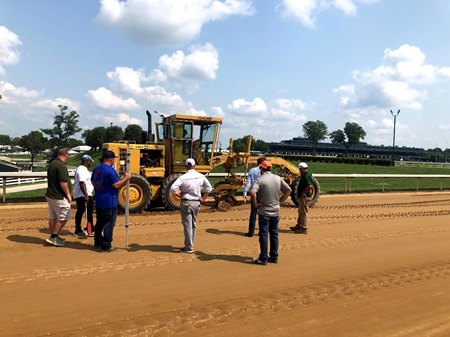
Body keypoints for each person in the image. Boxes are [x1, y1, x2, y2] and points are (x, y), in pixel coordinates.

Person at [250, 160, 291, 265]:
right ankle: (274, 256)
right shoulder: (278, 178)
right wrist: (280, 201)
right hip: (276, 211)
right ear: (270, 168)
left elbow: (253, 193)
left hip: (264, 212)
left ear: (262, 169)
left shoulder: (259, 179)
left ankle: (263, 258)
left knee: (263, 235)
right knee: (274, 234)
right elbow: (288, 190)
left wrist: (255, 204)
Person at [91, 150, 131, 252]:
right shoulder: (110, 170)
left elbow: (92, 181)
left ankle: (97, 241)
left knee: (100, 222)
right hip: (109, 201)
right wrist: (126, 178)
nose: (114, 161)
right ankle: (106, 245)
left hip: (100, 200)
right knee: (109, 223)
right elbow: (116, 184)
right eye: (113, 159)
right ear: (111, 159)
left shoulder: (96, 169)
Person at [170, 158, 212, 254]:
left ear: (186, 166)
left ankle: (189, 247)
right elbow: (209, 188)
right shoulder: (201, 176)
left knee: (187, 225)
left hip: (186, 202)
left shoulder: (182, 177)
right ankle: (190, 244)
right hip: (196, 203)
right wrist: (204, 198)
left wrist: (178, 194)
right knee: (193, 224)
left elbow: (172, 189)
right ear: (194, 166)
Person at [45, 148, 72, 247]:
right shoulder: (61, 166)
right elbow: (63, 182)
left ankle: (54, 236)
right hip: (59, 196)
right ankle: (53, 236)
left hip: (51, 195)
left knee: (53, 217)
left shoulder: (52, 163)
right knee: (64, 216)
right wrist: (68, 194)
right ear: (66, 155)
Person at [242, 156, 266, 237]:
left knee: (253, 212)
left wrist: (245, 193)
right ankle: (261, 231)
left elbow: (248, 182)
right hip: (263, 193)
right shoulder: (265, 170)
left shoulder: (252, 170)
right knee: (262, 213)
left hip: (254, 192)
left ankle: (251, 232)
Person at [73, 154, 94, 238]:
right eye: (90, 162)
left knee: (81, 211)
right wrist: (86, 195)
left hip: (82, 193)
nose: (91, 163)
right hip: (84, 194)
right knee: (88, 212)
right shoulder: (82, 169)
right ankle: (89, 229)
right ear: (86, 161)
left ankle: (80, 229)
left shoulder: (82, 169)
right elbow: (82, 182)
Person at [290, 162, 313, 234]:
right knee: (300, 211)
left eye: (300, 169)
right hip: (302, 196)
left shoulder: (306, 176)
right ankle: (299, 225)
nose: (299, 170)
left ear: (303, 169)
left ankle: (304, 228)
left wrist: (303, 193)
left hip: (304, 197)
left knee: (304, 212)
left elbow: (310, 186)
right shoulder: (303, 175)